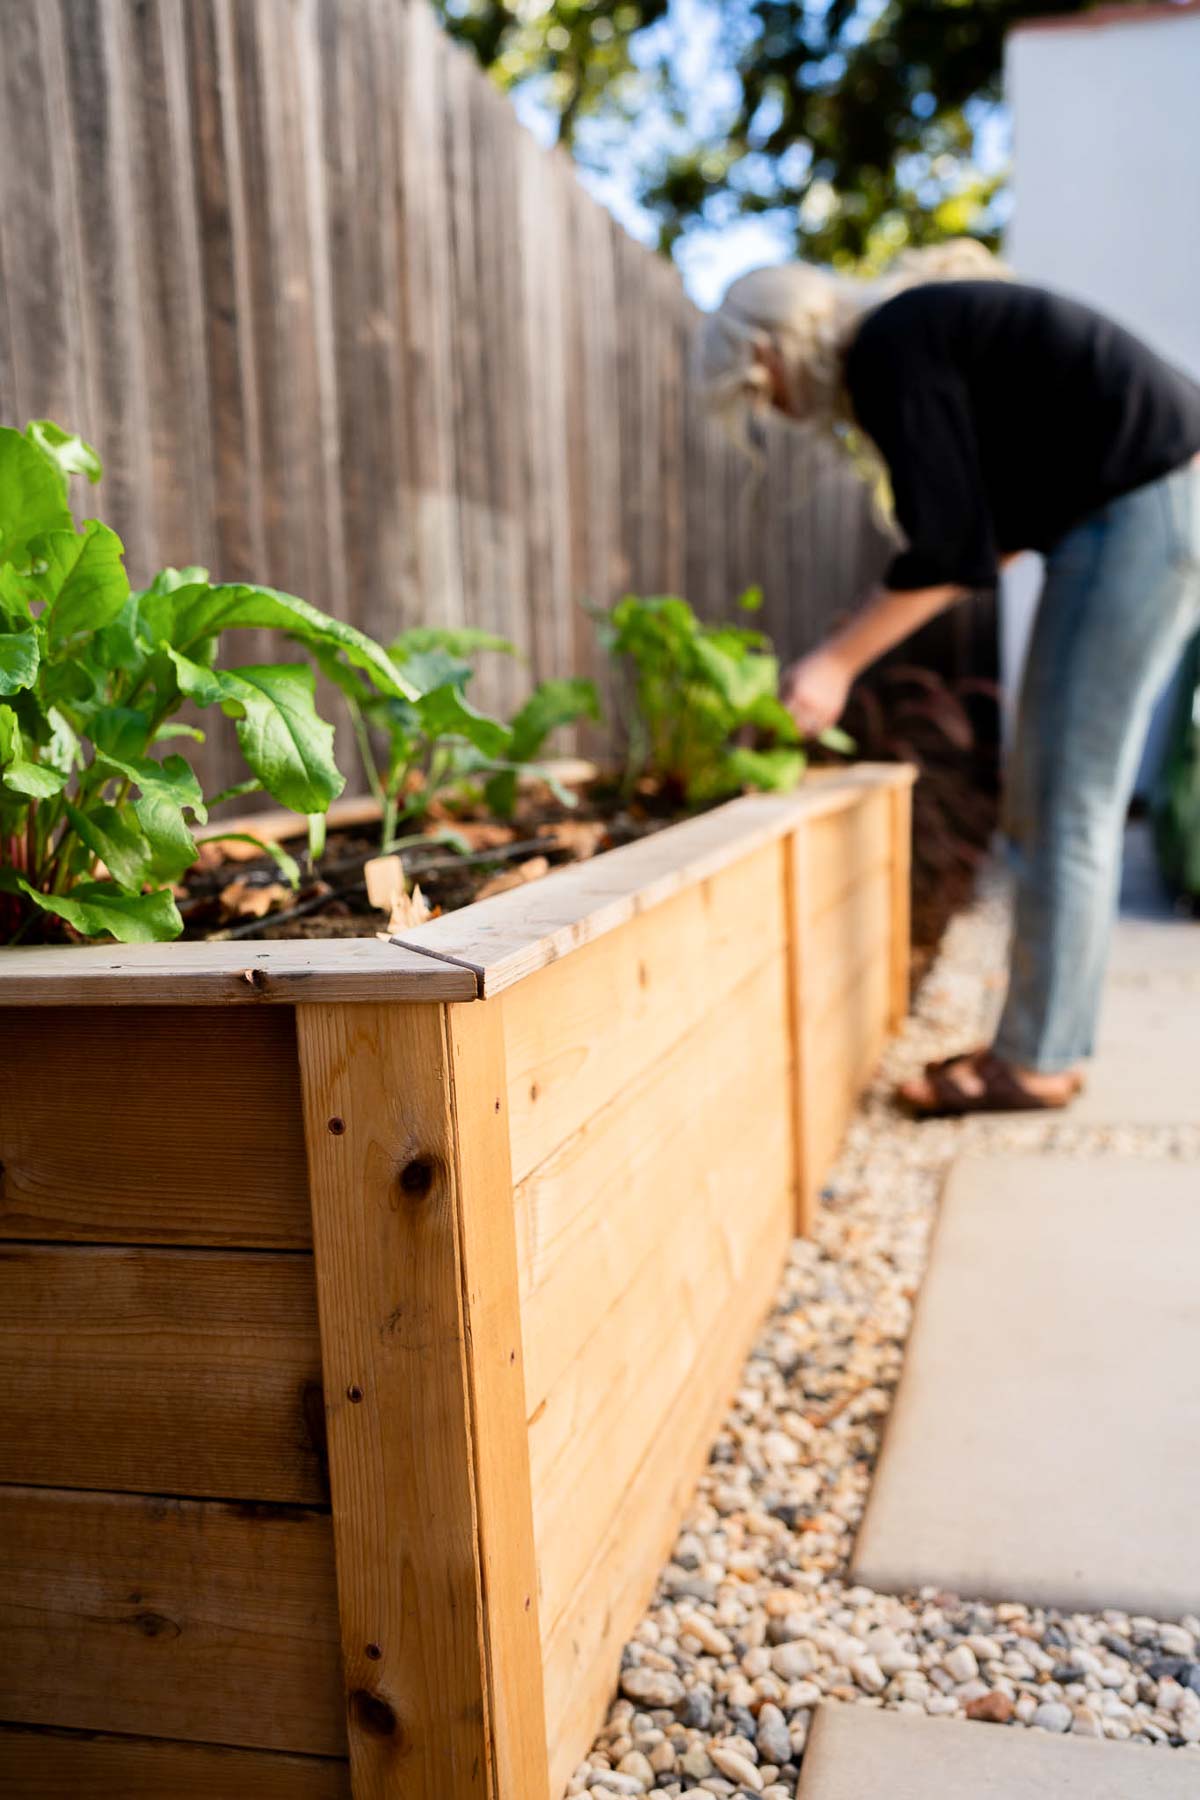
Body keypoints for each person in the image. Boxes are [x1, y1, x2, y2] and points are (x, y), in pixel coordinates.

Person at [695, 242, 1200, 1116]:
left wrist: (836, 660)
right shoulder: (917, 334)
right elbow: (984, 538)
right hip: (1134, 515)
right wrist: (856, 633)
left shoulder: (893, 343)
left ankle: (1036, 1060)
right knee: (1049, 796)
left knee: (1070, 801)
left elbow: (950, 554)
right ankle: (1046, 1045)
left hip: (1141, 520)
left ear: (777, 347)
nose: (772, 407)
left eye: (760, 383)